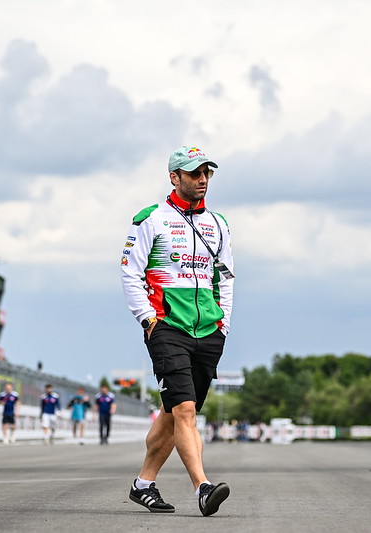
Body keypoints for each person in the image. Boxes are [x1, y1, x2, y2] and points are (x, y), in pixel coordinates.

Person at [120, 145, 235, 516]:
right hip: (167, 326)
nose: (202, 180)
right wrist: (147, 319)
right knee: (185, 409)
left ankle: (143, 484)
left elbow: (227, 278)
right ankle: (203, 488)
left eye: (207, 173)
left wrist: (224, 324)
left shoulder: (218, 223)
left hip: (208, 330)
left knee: (174, 413)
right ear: (175, 177)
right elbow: (130, 273)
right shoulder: (150, 219)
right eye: (194, 173)